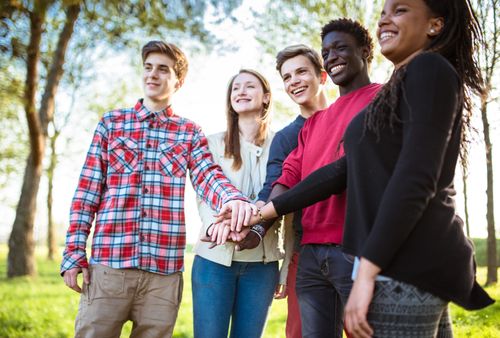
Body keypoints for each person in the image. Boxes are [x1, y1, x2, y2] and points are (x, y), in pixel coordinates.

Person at [231, 1, 495, 337]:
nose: (385, 17)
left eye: (399, 10)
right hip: (399, 262)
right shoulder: (402, 84)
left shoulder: (428, 69)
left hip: (406, 263)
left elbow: (414, 180)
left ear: (435, 25)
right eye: (384, 11)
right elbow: (340, 171)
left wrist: (366, 272)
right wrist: (262, 213)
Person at [60, 40, 255, 338]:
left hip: (163, 277)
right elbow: (87, 193)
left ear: (178, 80)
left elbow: (207, 175)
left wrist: (233, 199)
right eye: (148, 67)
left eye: (163, 69)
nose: (153, 74)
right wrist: (74, 252)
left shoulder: (188, 132)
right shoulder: (112, 124)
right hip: (109, 269)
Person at [212, 18, 383, 338]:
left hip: (355, 248)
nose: (332, 56)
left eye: (340, 48)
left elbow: (341, 173)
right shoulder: (314, 124)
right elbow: (285, 176)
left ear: (364, 51)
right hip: (310, 257)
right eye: (326, 51)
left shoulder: (381, 98)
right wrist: (256, 222)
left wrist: (261, 214)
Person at [192, 69, 288, 338]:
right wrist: (214, 225)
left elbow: (289, 208)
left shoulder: (284, 144)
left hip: (263, 265)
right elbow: (205, 192)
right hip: (215, 260)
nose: (241, 92)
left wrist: (287, 267)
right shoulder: (210, 143)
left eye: (250, 86)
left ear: (266, 97)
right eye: (236, 88)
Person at [257, 44, 328, 338]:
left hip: (356, 246)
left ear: (322, 76)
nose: (294, 81)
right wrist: (254, 223)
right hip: (306, 249)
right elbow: (274, 188)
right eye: (287, 77)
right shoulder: (287, 137)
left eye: (301, 72)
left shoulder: (350, 117)